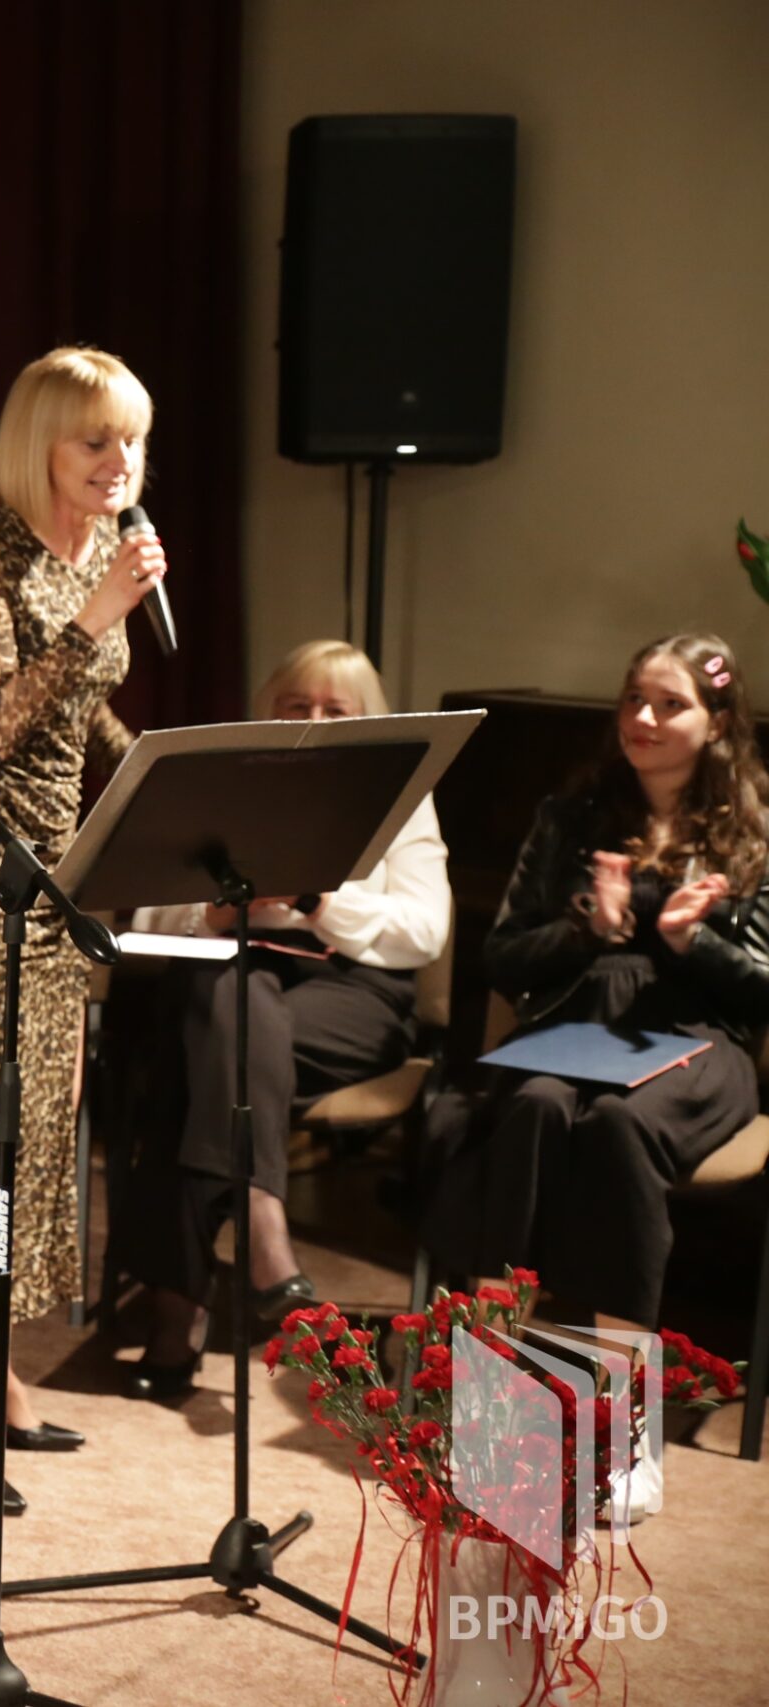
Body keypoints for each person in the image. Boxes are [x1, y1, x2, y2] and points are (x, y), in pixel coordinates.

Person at [0, 346, 165, 1516]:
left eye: (132, 439)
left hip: (59, 879)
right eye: (95, 439)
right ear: (39, 445)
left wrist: (161, 781)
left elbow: (83, 715)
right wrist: (100, 617)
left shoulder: (101, 550)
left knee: (38, 1141)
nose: (119, 462)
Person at [421, 632, 769, 1520]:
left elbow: (763, 990)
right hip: (575, 1027)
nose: (642, 718)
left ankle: (626, 1428)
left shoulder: (753, 831)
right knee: (529, 1110)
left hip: (701, 1038)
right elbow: (504, 957)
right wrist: (588, 929)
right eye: (633, 699)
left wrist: (693, 942)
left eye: (670, 704)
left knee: (621, 1126)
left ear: (717, 721)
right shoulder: (569, 814)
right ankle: (495, 1411)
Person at [120, 641, 451, 1401]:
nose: (315, 720)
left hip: (352, 990)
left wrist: (318, 900)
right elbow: (144, 910)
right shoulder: (228, 780)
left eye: (336, 709)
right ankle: (264, 1225)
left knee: (201, 1053)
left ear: (367, 718)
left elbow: (425, 931)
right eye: (298, 705)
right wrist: (210, 912)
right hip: (234, 973)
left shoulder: (401, 793)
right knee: (223, 1003)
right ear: (269, 710)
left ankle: (178, 1311)